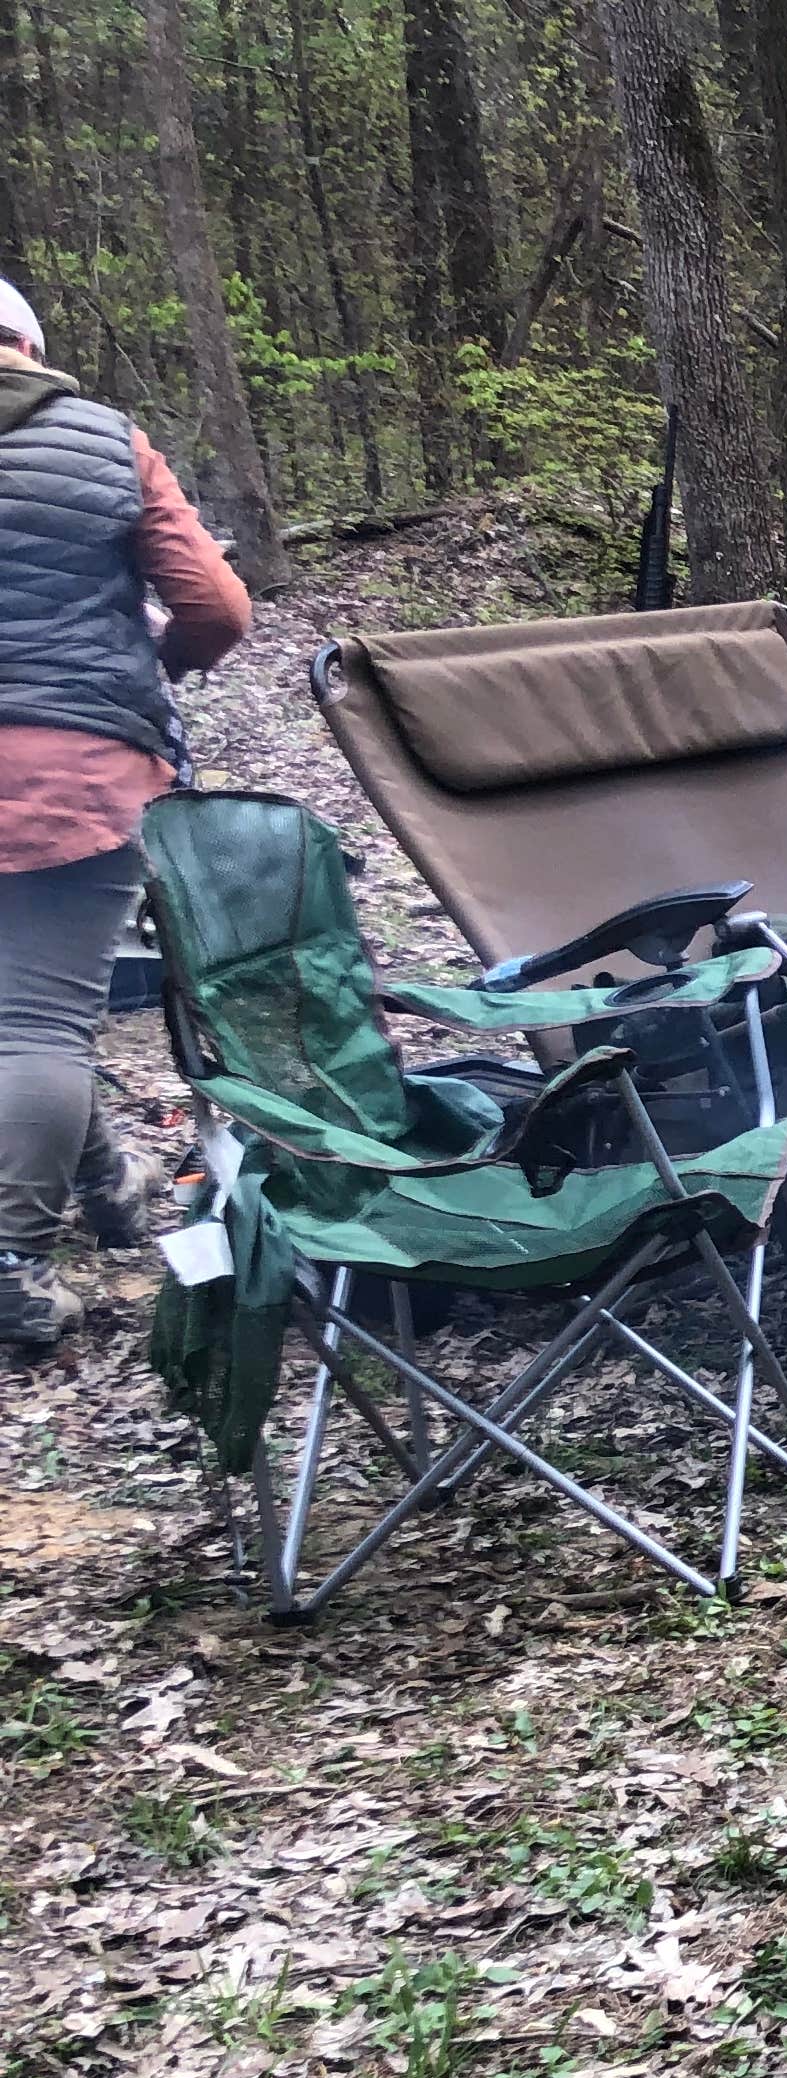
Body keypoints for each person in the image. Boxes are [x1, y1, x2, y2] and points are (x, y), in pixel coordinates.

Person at [0, 274, 253, 1347]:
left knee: (22, 1010)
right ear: (26, 342)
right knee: (38, 1016)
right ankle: (10, 1261)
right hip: (74, 765)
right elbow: (214, 607)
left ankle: (108, 1184)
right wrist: (159, 660)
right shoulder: (102, 439)